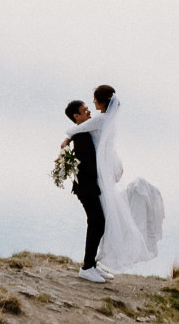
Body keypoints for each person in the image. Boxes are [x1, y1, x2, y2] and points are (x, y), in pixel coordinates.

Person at [91, 83, 165, 270]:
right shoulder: (110, 120)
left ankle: (99, 256)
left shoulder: (101, 120)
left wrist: (67, 138)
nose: (92, 102)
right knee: (107, 215)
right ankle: (99, 255)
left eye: (95, 99)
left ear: (101, 101)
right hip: (106, 171)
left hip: (103, 174)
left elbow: (76, 130)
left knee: (105, 215)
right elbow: (110, 148)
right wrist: (116, 166)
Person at [63, 99, 107, 280]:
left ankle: (91, 265)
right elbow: (86, 165)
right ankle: (87, 267)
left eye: (88, 108)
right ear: (76, 116)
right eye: (85, 110)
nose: (89, 112)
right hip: (86, 187)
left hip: (90, 186)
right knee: (97, 222)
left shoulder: (82, 131)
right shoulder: (80, 137)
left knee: (98, 223)